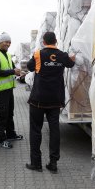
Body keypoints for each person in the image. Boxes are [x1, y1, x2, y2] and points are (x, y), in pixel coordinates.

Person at [26, 32, 75, 173]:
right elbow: (71, 64)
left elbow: (30, 68)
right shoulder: (63, 55)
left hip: (38, 100)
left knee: (36, 130)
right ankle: (53, 163)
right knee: (54, 130)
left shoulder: (38, 54)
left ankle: (36, 163)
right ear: (56, 41)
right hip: (55, 100)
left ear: (43, 41)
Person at [0, 32, 23, 149]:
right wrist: (13, 72)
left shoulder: (8, 55)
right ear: (0, 42)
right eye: (6, 42)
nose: (8, 44)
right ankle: (0, 140)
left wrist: (20, 72)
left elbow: (13, 68)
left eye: (9, 42)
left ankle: (10, 134)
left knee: (9, 114)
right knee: (1, 115)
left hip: (8, 90)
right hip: (0, 91)